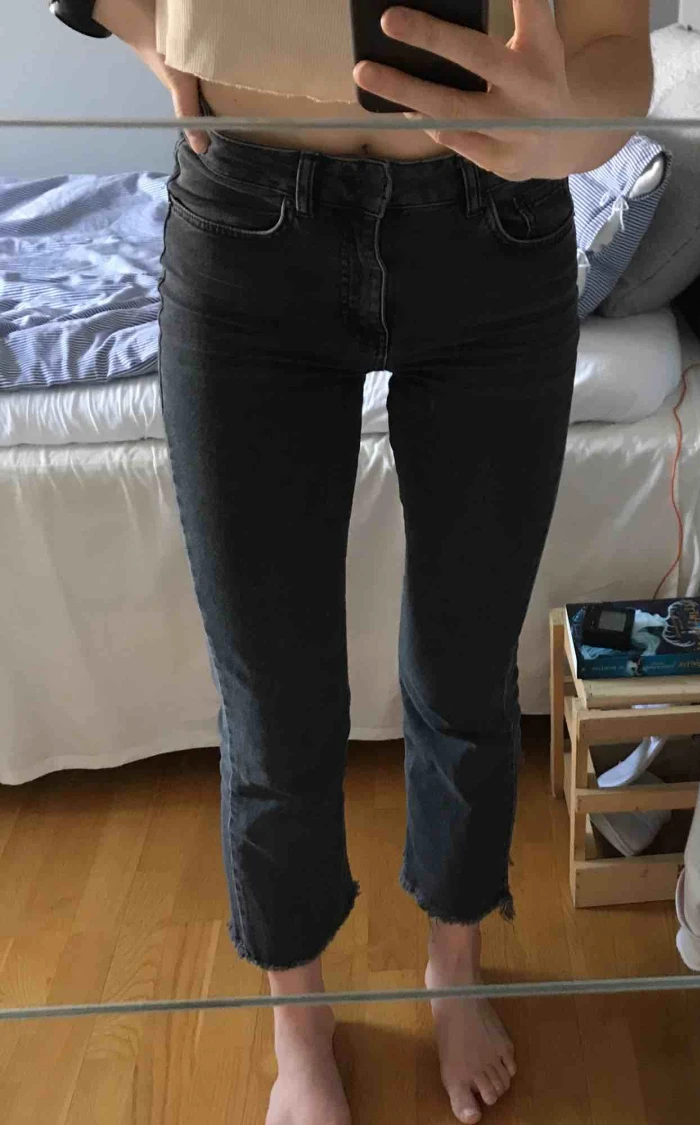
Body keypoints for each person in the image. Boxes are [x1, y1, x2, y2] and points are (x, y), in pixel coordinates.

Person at [78, 2, 653, 1122]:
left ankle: (455, 966)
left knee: (465, 661)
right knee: (272, 692)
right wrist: (154, 43)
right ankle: (299, 1022)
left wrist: (573, 127)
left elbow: (617, 51)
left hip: (497, 225)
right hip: (247, 210)